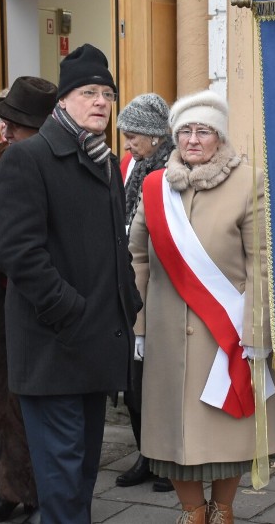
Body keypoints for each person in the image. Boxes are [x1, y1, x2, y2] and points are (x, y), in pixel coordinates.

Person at [0, 44, 141, 524]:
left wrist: (128, 301)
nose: (100, 101)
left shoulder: (103, 160)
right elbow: (17, 253)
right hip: (54, 348)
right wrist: (71, 311)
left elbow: (114, 248)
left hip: (95, 345)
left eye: (107, 93)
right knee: (60, 487)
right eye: (87, 92)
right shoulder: (27, 159)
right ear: (63, 101)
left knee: (79, 483)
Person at [128, 90, 275, 524]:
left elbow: (261, 263)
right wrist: (138, 325)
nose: (193, 139)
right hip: (167, 335)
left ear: (219, 136)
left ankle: (223, 509)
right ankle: (192, 511)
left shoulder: (250, 181)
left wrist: (256, 333)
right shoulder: (156, 186)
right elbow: (136, 256)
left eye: (204, 131)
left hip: (227, 333)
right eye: (185, 131)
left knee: (229, 429)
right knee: (173, 437)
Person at [0, 76, 57, 523]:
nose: (4, 129)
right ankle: (9, 488)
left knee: (24, 404)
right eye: (4, 121)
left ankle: (38, 494)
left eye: (14, 122)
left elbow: (27, 237)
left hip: (26, 299)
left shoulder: (45, 164)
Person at [113, 93, 175, 494]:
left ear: (154, 136)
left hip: (163, 289)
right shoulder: (136, 167)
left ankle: (168, 462)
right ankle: (147, 455)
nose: (128, 144)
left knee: (161, 381)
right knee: (134, 381)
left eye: (134, 136)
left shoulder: (172, 169)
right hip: (131, 285)